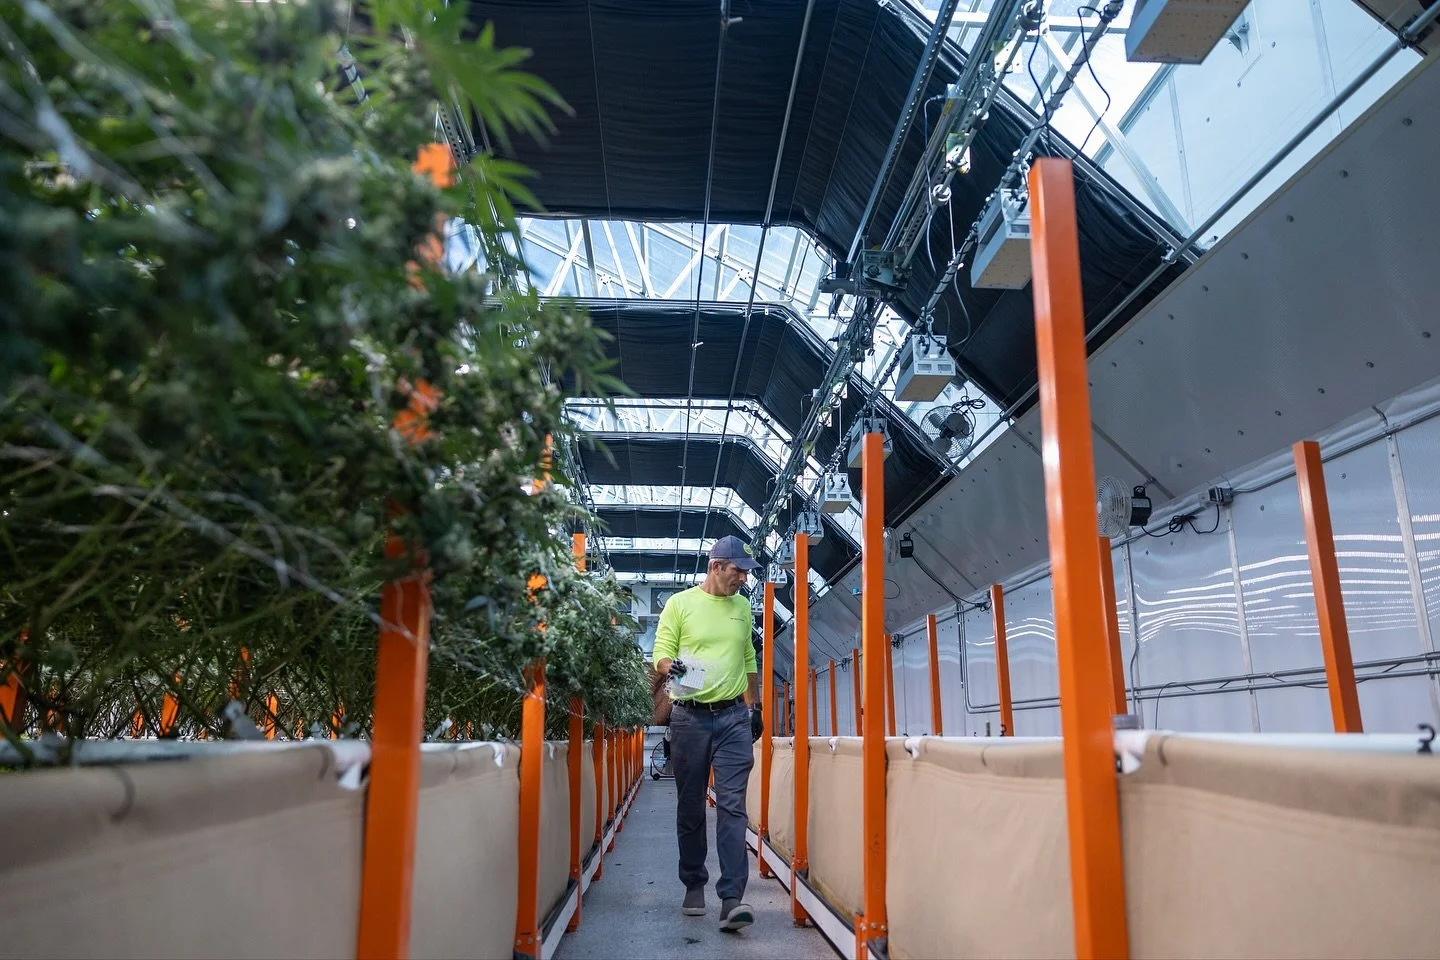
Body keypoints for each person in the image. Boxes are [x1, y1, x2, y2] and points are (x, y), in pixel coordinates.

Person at [652, 535, 765, 932]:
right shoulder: (680, 604)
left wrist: (755, 706)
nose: (743, 579)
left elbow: (748, 657)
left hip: (734, 717)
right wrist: (674, 667)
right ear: (716, 567)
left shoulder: (743, 606)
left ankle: (732, 897)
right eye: (738, 571)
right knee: (691, 804)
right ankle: (693, 883)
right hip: (689, 718)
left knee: (733, 806)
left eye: (746, 572)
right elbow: (660, 652)